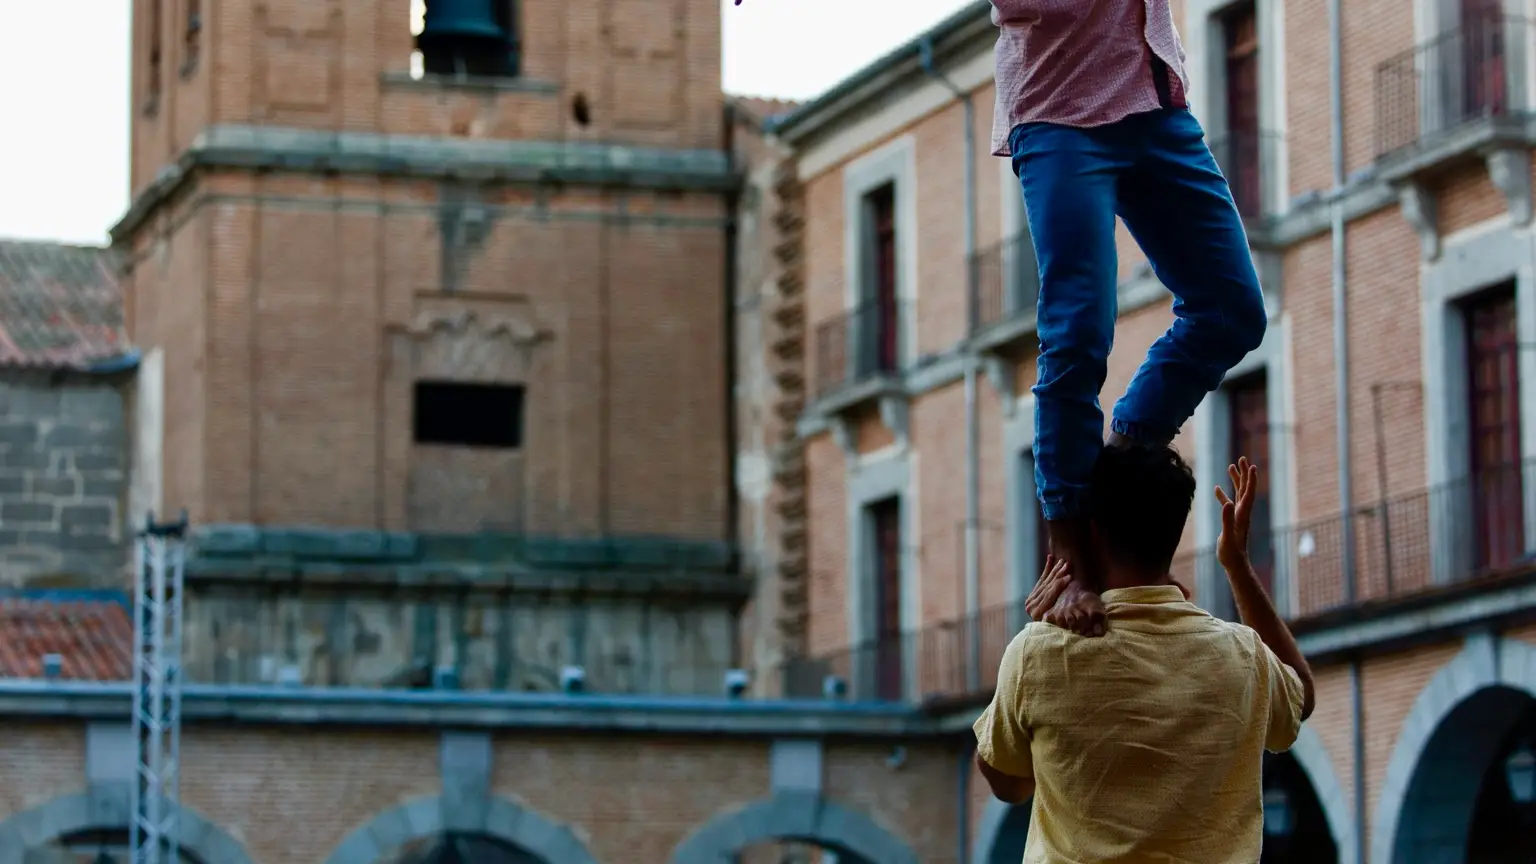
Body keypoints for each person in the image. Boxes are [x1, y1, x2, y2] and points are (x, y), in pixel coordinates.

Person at [990, 0, 1269, 635]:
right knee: (1078, 331)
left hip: (1154, 110)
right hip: (1059, 116)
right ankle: (1074, 555)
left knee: (1231, 309)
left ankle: (1123, 467)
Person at [973, 449, 1315, 862]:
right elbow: (1301, 697)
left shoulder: (1038, 654)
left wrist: (1032, 644)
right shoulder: (1243, 655)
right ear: (1171, 533)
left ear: (1092, 533)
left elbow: (1009, 784)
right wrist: (1237, 566)